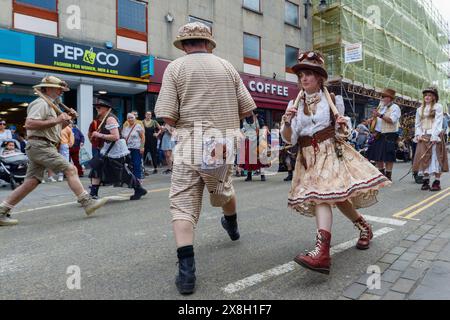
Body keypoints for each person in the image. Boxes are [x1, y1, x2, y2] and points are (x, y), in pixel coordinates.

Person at [155, 22, 256, 294]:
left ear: (184, 45)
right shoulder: (227, 66)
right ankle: (232, 224)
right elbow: (247, 109)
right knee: (222, 189)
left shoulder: (175, 68)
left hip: (190, 141)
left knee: (183, 204)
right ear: (208, 43)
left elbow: (168, 115)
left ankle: (187, 274)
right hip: (223, 143)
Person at [280, 51, 391, 275]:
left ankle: (322, 253)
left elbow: (344, 132)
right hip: (307, 158)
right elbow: (289, 139)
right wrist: (287, 122)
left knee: (324, 197)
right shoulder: (294, 103)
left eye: (310, 74)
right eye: (302, 74)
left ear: (319, 78)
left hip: (329, 153)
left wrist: (341, 124)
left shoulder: (331, 99)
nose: (304, 78)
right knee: (338, 200)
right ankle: (364, 227)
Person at [0, 76, 107, 226]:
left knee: (31, 182)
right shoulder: (40, 103)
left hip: (43, 145)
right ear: (48, 88)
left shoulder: (50, 106)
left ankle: (2, 210)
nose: (61, 92)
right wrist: (57, 120)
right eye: (58, 89)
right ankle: (86, 202)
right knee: (70, 169)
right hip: (40, 145)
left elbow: (53, 131)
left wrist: (65, 121)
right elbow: (29, 124)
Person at [88, 98, 148, 201]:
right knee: (96, 167)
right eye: (96, 107)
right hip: (108, 149)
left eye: (99, 107)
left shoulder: (110, 119)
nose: (97, 109)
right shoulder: (104, 119)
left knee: (121, 173)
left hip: (115, 150)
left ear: (106, 109)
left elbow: (115, 137)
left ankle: (138, 188)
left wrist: (99, 134)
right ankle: (93, 193)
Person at [412, 87, 449, 191]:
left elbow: (438, 122)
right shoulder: (419, 109)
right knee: (424, 159)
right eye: (425, 95)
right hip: (423, 137)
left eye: (429, 95)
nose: (427, 97)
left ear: (434, 97)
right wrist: (418, 134)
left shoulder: (438, 107)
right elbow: (417, 123)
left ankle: (437, 182)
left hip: (434, 137)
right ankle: (426, 180)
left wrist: (434, 136)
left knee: (436, 158)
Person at [367, 88, 402, 181]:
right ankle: (381, 174)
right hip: (378, 134)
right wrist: (372, 120)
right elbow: (377, 121)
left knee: (388, 157)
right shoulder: (381, 106)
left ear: (389, 98)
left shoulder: (395, 108)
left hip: (389, 134)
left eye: (383, 97)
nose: (381, 99)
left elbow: (392, 120)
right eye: (381, 97)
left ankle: (388, 176)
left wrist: (380, 115)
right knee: (378, 156)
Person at [239, 113, 269, 181]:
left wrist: (263, 136)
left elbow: (263, 127)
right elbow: (240, 129)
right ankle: (249, 175)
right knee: (248, 159)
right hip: (248, 140)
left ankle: (262, 175)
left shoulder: (258, 118)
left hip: (258, 139)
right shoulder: (243, 119)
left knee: (260, 158)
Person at [122, 113, 145, 181]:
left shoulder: (138, 126)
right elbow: (123, 138)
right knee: (129, 163)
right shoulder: (125, 128)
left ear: (134, 118)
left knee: (136, 163)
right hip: (128, 148)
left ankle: (137, 179)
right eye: (129, 118)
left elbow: (143, 137)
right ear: (127, 119)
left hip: (137, 148)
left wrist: (142, 147)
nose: (130, 119)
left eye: (132, 117)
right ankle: (131, 178)